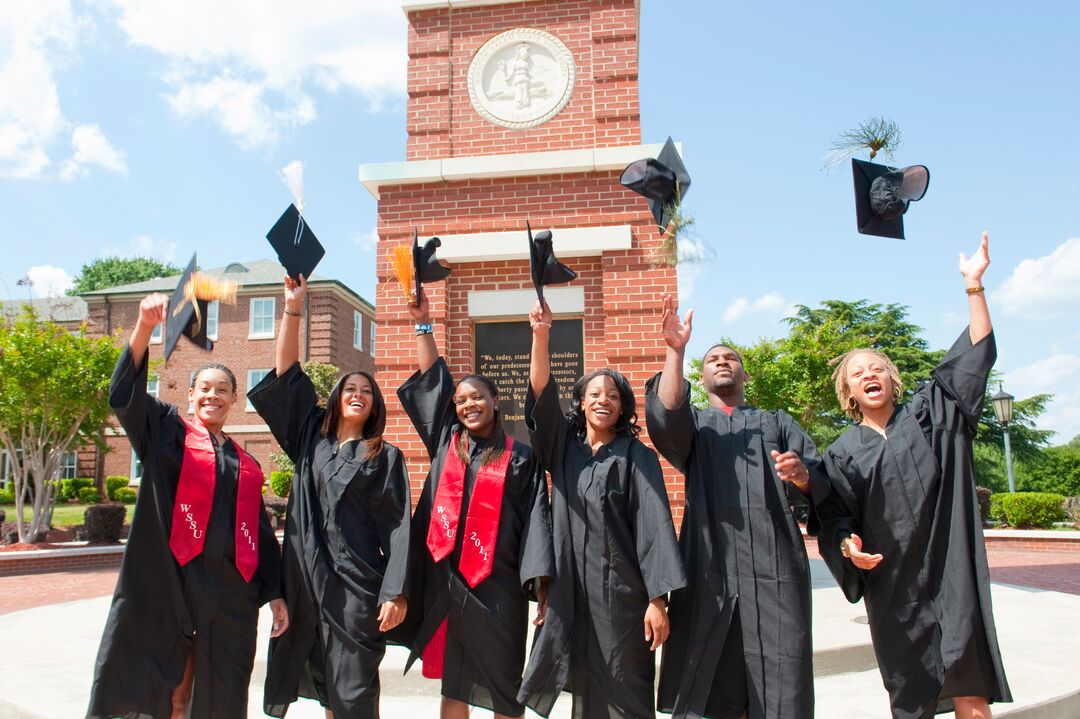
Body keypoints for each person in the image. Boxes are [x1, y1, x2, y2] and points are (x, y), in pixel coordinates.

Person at [817, 233, 1011, 719]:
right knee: (910, 697)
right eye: (858, 372)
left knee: (972, 689)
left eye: (876, 366)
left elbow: (975, 356)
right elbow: (834, 517)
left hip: (952, 573)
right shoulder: (841, 453)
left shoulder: (930, 412)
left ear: (892, 377)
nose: (868, 374)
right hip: (893, 588)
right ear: (849, 393)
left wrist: (974, 287)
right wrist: (847, 548)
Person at [87, 292, 286, 719]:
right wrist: (144, 327)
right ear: (192, 394)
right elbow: (124, 396)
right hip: (173, 578)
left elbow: (261, 534)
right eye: (205, 388)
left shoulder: (246, 462)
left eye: (223, 390)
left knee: (226, 690)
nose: (213, 396)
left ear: (234, 398)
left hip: (233, 591)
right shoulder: (166, 432)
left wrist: (276, 595)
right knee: (173, 691)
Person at [646, 294, 825, 719]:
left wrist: (802, 475)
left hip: (775, 569)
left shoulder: (776, 422)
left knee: (781, 682)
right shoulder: (696, 426)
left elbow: (820, 481)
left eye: (730, 357)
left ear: (745, 372)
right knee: (711, 683)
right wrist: (676, 351)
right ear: (701, 376)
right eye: (712, 359)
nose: (722, 362)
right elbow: (666, 419)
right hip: (709, 571)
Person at [250, 274, 411, 718]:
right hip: (304, 582)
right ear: (337, 398)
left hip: (357, 588)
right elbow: (286, 374)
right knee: (323, 684)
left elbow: (399, 528)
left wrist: (394, 592)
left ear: (374, 405)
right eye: (351, 388)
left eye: (367, 391)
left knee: (355, 691)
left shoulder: (385, 455)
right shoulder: (309, 436)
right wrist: (292, 307)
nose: (358, 394)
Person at [518, 298, 687, 718]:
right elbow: (541, 395)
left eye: (612, 395)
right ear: (580, 403)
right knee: (585, 694)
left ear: (623, 406)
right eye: (594, 393)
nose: (603, 400)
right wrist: (541, 336)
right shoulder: (563, 450)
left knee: (625, 689)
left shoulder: (636, 456)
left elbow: (654, 528)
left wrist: (658, 600)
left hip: (623, 598)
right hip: (570, 593)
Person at [397, 294, 554, 719]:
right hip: (447, 584)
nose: (467, 404)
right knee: (455, 686)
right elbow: (431, 380)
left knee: (505, 688)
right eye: (461, 400)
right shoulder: (446, 442)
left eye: (477, 397)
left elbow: (537, 523)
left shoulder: (521, 457)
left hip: (498, 588)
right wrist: (425, 324)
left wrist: (540, 586)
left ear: (497, 400)